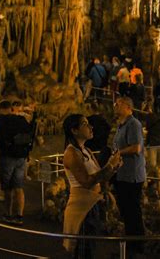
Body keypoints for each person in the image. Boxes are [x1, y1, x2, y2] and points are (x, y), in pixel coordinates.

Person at [62, 114, 122, 258]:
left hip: (92, 205)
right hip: (81, 209)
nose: (91, 127)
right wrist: (109, 166)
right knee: (83, 251)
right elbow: (87, 182)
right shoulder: (71, 153)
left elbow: (99, 177)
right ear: (74, 130)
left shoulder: (86, 151)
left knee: (91, 248)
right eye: (85, 124)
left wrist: (114, 168)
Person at [112, 97, 146, 256]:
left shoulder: (133, 124)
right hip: (122, 174)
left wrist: (119, 153)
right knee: (126, 210)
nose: (115, 106)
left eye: (118, 104)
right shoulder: (121, 125)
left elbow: (136, 147)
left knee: (133, 211)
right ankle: (131, 243)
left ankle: (137, 245)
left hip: (132, 175)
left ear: (127, 106)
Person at [0, 100, 32, 226]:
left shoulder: (0, 121)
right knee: (19, 187)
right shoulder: (21, 120)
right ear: (11, 108)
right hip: (21, 157)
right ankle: (19, 216)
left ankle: (8, 214)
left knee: (7, 188)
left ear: (0, 109)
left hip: (7, 157)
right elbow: (29, 137)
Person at [145, 103, 160, 173]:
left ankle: (154, 179)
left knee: (152, 164)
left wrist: (149, 115)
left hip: (153, 143)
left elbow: (147, 127)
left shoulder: (150, 117)